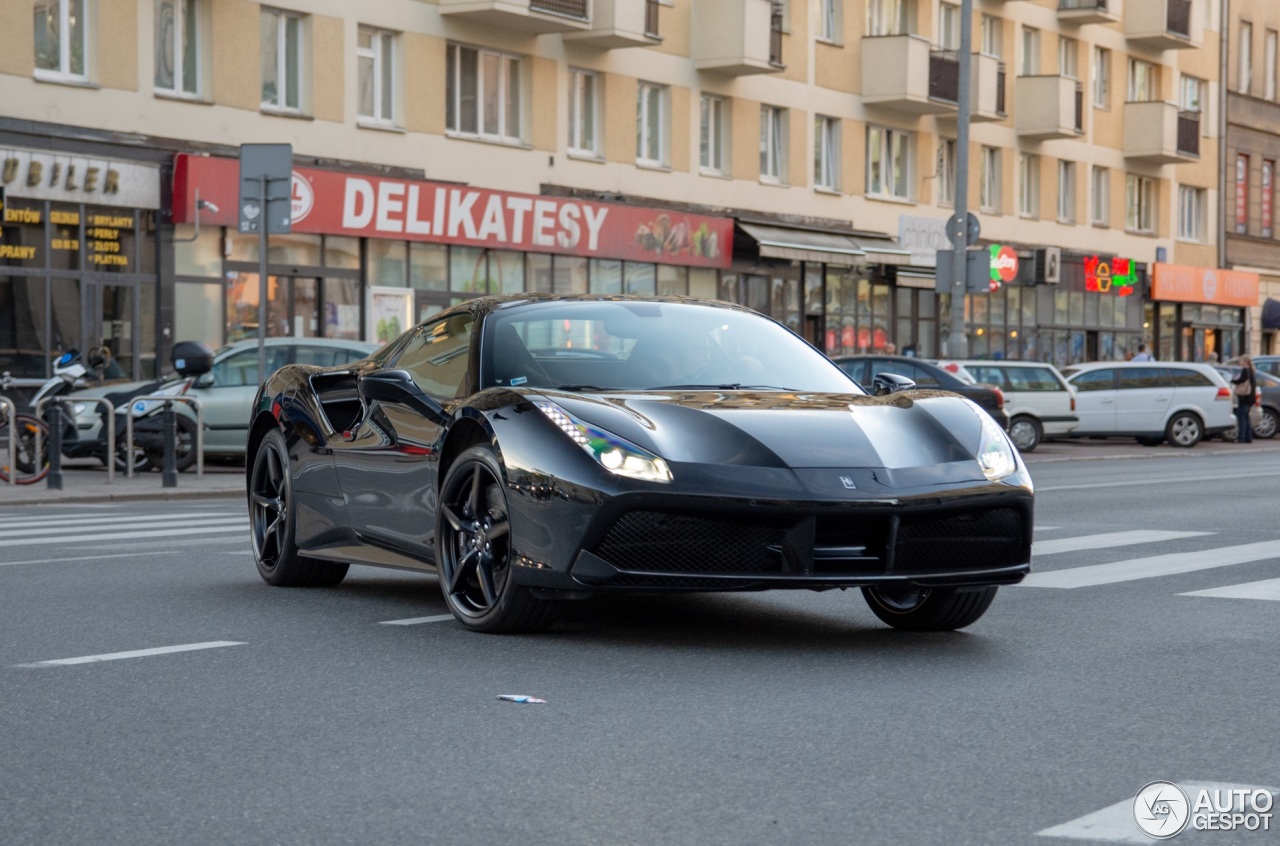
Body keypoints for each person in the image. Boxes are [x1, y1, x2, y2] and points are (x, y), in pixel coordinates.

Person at [1231, 355, 1257, 443]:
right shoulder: (1251, 371)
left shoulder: (1245, 370)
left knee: (1241, 417)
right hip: (1250, 397)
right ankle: (1248, 437)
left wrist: (1233, 380)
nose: (1239, 362)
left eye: (1241, 361)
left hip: (1244, 397)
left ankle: (1241, 438)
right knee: (1246, 417)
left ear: (1245, 362)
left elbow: (1240, 380)